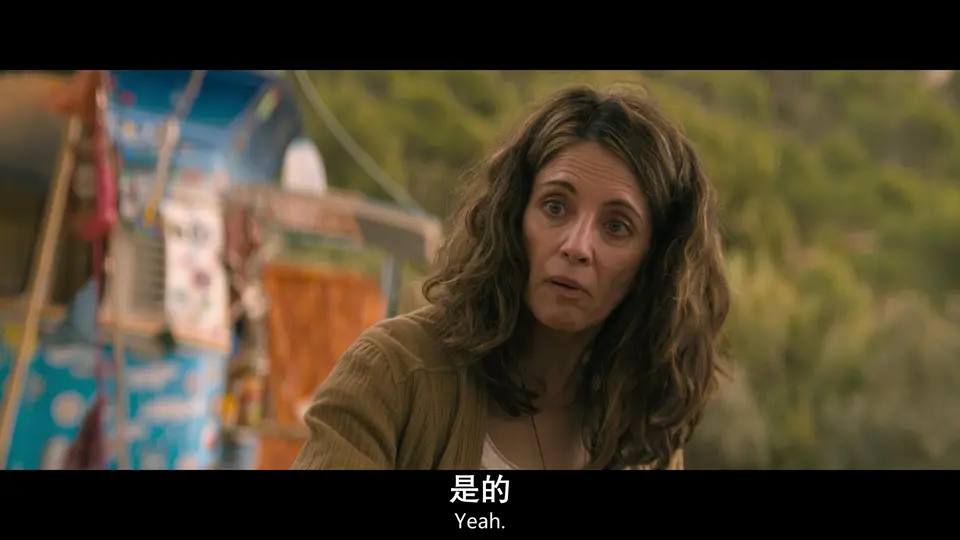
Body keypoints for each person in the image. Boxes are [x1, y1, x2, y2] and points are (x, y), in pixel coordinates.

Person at [292, 85, 730, 470]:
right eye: (555, 207)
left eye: (616, 226)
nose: (576, 246)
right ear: (515, 216)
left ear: (655, 264)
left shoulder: (643, 440)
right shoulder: (392, 373)